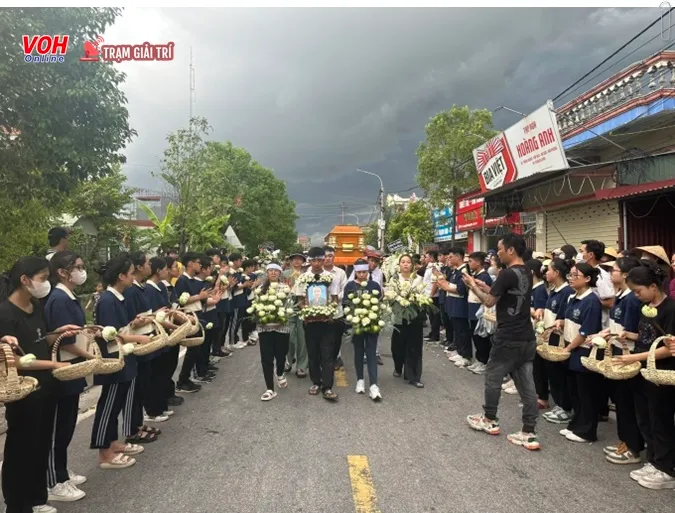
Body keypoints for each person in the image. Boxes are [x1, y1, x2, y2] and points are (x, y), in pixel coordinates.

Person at [0, 256, 77, 513]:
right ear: (24, 280)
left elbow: (40, 341)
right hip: (23, 393)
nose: (46, 283)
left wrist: (58, 333)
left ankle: (35, 499)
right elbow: (16, 360)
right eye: (43, 278)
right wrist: (55, 365)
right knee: (20, 450)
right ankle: (17, 505)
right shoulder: (5, 313)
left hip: (45, 388)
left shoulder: (36, 306)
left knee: (40, 446)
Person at [463, 233, 540, 451]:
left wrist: (472, 285)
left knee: (493, 377)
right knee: (527, 386)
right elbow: (504, 294)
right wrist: (484, 285)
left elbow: (489, 301)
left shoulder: (506, 273)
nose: (496, 253)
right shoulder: (526, 271)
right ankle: (529, 431)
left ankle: (489, 419)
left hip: (508, 337)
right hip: (526, 337)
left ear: (511, 250)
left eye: (499, 249)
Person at [612, 260, 675, 490]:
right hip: (642, 373)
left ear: (653, 287)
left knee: (661, 421)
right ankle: (654, 460)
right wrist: (629, 334)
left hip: (661, 374)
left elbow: (668, 347)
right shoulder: (645, 308)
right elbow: (646, 336)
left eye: (638, 291)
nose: (636, 296)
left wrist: (634, 358)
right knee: (645, 418)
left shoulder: (671, 309)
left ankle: (666, 469)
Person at [90, 253, 151, 469]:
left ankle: (113, 442)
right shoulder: (107, 300)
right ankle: (104, 452)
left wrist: (134, 324)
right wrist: (137, 337)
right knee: (109, 404)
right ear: (121, 276)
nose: (134, 277)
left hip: (124, 357)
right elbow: (110, 334)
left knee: (116, 404)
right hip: (113, 360)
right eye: (132, 273)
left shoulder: (118, 298)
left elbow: (121, 327)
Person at [44, 252, 93, 502]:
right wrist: (91, 356)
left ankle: (61, 471)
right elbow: (65, 342)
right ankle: (53, 481)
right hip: (64, 368)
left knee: (67, 424)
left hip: (73, 368)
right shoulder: (59, 299)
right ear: (62, 272)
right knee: (58, 427)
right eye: (78, 267)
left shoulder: (69, 297)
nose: (81, 271)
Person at [596, 257, 643, 464]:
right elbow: (617, 325)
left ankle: (632, 446)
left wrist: (623, 336)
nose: (610, 273)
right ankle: (624, 440)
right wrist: (606, 333)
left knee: (627, 404)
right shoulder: (620, 296)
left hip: (628, 358)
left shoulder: (632, 299)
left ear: (625, 275)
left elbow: (634, 331)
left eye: (613, 270)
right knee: (621, 402)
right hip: (617, 353)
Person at [554, 262, 603, 444]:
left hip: (582, 351)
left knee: (586, 393)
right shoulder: (572, 297)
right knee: (574, 391)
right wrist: (560, 323)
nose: (572, 279)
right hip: (570, 348)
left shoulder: (592, 302)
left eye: (576, 275)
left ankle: (587, 431)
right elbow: (569, 319)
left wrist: (568, 348)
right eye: (571, 275)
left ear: (588, 279)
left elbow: (585, 332)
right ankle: (576, 425)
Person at [122, 253, 162, 441]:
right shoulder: (131, 291)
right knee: (136, 389)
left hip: (146, 342)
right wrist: (143, 320)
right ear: (139, 267)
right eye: (147, 263)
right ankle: (132, 428)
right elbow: (129, 323)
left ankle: (137, 424)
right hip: (137, 344)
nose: (149, 266)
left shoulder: (140, 288)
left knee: (143, 385)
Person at [295, 246, 341, 401]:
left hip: (327, 321)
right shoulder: (303, 277)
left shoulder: (330, 277)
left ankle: (327, 387)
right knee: (313, 353)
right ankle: (315, 382)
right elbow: (300, 300)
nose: (316, 263)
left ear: (324, 260)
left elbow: (334, 298)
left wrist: (329, 311)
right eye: (313, 260)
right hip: (310, 321)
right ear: (310, 261)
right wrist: (307, 310)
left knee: (327, 354)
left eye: (319, 260)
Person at [144, 257, 180, 423]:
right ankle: (153, 409)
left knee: (163, 371)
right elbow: (154, 314)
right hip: (158, 334)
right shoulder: (149, 289)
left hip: (165, 333)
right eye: (165, 268)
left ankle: (160, 404)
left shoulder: (159, 287)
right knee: (155, 374)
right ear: (158, 271)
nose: (167, 271)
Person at [541, 258, 574, 425]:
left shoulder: (566, 292)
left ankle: (565, 407)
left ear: (557, 273)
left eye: (548, 269)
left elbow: (562, 317)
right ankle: (559, 404)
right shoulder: (554, 290)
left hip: (559, 337)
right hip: (549, 336)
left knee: (560, 374)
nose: (545, 272)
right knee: (552, 373)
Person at [345, 259, 383, 400]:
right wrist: (352, 318)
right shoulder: (350, 286)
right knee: (358, 352)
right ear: (355, 272)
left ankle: (374, 384)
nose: (362, 275)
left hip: (372, 324)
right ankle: (360, 379)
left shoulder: (374, 285)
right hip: (357, 325)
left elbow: (379, 303)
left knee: (371, 353)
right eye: (359, 272)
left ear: (368, 272)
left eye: (364, 272)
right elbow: (346, 304)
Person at [256, 262, 291, 401]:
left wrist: (282, 318)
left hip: (281, 327)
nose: (273, 273)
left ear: (280, 273)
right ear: (267, 273)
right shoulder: (260, 289)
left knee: (281, 354)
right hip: (265, 328)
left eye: (275, 271)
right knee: (267, 358)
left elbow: (289, 308)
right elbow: (256, 307)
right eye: (270, 271)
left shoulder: (285, 288)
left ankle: (280, 372)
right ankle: (269, 389)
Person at [175, 252, 209, 394]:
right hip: (189, 318)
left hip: (198, 315)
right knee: (192, 349)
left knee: (197, 348)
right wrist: (199, 297)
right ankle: (182, 380)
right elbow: (180, 301)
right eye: (197, 262)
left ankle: (186, 378)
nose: (199, 265)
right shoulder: (182, 280)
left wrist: (203, 298)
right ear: (190, 263)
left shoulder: (194, 280)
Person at [390, 254, 425, 388]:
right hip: (399, 318)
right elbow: (390, 295)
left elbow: (424, 295)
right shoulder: (394, 280)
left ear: (413, 264)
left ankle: (414, 376)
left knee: (414, 347)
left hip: (414, 318)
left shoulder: (419, 280)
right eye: (403, 262)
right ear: (399, 265)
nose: (405, 264)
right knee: (397, 347)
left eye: (408, 262)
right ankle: (398, 367)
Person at [437, 247, 472, 368]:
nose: (449, 259)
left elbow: (461, 289)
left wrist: (446, 286)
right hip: (453, 304)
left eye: (451, 257)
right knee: (458, 330)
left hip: (460, 305)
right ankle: (460, 352)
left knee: (463, 331)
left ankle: (466, 355)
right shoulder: (456, 271)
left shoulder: (464, 270)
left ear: (458, 257)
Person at [526, 258, 550, 410]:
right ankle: (538, 394)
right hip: (531, 331)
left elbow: (540, 314)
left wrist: (526, 309)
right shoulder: (533, 288)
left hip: (538, 333)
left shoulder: (540, 290)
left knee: (539, 367)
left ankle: (542, 397)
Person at [284, 253, 309, 378]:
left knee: (303, 338)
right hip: (288, 308)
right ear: (291, 261)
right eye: (295, 259)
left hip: (303, 307)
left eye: (300, 259)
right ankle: (288, 360)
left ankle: (301, 366)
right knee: (288, 336)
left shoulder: (307, 275)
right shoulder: (285, 274)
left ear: (303, 262)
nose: (297, 261)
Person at [466, 251, 492, 374]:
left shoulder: (485, 277)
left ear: (478, 262)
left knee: (482, 339)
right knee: (475, 337)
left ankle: (484, 362)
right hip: (472, 309)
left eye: (471, 261)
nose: (469, 264)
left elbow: (486, 296)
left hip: (479, 311)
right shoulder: (475, 275)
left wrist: (472, 285)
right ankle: (479, 360)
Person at [322, 246, 348, 369]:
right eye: (325, 256)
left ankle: (334, 358)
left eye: (330, 256)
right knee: (322, 338)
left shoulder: (340, 272)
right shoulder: (315, 271)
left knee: (336, 338)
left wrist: (334, 298)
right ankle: (324, 361)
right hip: (319, 311)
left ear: (334, 257)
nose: (327, 258)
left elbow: (345, 290)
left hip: (337, 310)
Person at [423, 250, 441, 343]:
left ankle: (435, 335)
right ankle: (432, 333)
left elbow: (435, 282)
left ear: (431, 258)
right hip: (428, 294)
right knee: (431, 316)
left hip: (433, 296)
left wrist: (431, 295)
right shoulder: (429, 267)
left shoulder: (435, 267)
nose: (425, 258)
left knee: (434, 317)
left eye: (426, 257)